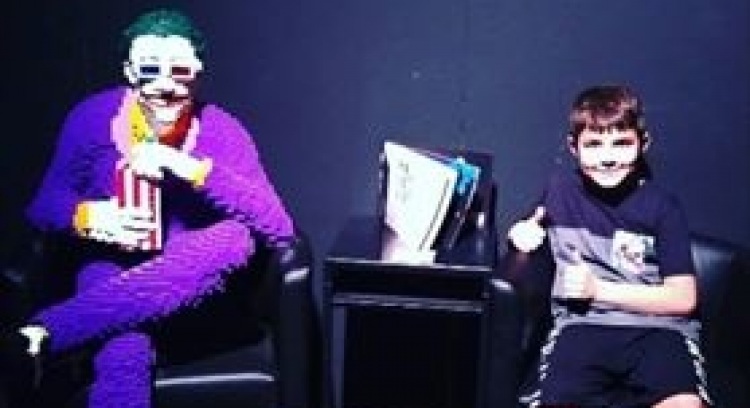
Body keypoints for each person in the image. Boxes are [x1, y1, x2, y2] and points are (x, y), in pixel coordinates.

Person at [2, 8, 295, 408]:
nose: (165, 86)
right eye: (150, 70)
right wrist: (89, 217)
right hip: (111, 269)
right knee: (124, 349)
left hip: (193, 292)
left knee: (236, 239)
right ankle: (54, 337)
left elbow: (279, 226)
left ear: (198, 72)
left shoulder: (222, 130)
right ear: (128, 71)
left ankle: (45, 335)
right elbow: (44, 206)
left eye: (179, 71)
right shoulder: (92, 120)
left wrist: (189, 167)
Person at [508, 85, 710, 408]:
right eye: (593, 145)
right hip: (583, 326)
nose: (607, 158)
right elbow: (529, 225)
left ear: (643, 144)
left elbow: (683, 298)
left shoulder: (663, 206)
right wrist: (521, 233)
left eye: (621, 143)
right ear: (573, 148)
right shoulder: (559, 192)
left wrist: (598, 290)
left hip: (658, 330)